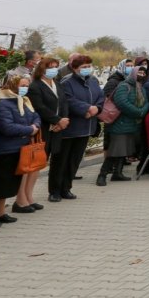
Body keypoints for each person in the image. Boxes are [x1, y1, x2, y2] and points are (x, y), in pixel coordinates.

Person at [0, 72, 40, 227]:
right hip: (4, 150)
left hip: (20, 148)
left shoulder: (24, 101)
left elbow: (35, 116)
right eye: (22, 86)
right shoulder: (4, 103)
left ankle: (0, 213)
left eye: (27, 86)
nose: (25, 89)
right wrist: (29, 129)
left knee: (8, 183)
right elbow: (6, 126)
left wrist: (34, 126)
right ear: (12, 85)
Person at [50, 55, 103, 202]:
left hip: (87, 127)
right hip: (70, 128)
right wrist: (86, 108)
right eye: (83, 67)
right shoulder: (67, 81)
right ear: (74, 68)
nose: (87, 69)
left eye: (88, 66)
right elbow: (67, 99)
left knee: (74, 160)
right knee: (61, 160)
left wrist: (97, 108)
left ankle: (66, 188)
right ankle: (54, 190)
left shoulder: (93, 81)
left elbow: (100, 97)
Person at [98, 63, 149, 186]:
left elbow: (146, 102)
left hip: (132, 124)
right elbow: (122, 102)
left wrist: (143, 110)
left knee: (124, 149)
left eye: (143, 73)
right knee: (115, 150)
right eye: (139, 72)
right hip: (119, 124)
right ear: (133, 73)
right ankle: (102, 175)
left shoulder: (141, 87)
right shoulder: (124, 86)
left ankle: (118, 173)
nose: (141, 75)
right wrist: (138, 112)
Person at [28, 57, 67, 202]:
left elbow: (63, 102)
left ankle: (54, 191)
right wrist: (56, 120)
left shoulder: (57, 84)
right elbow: (39, 107)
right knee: (38, 162)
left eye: (56, 66)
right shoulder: (35, 86)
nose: (54, 69)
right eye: (50, 67)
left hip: (58, 129)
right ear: (42, 69)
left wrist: (63, 120)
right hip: (43, 129)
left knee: (58, 161)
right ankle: (27, 196)